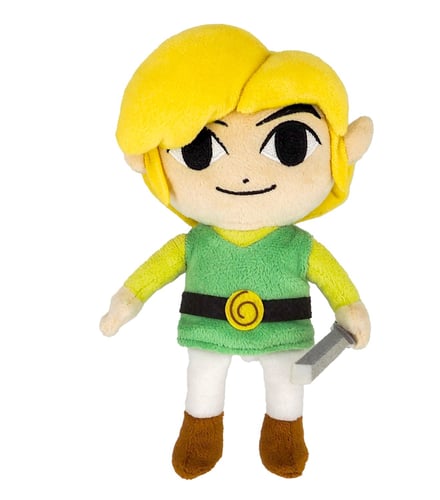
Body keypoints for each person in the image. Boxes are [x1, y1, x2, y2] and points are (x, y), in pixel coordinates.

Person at [100, 24, 373, 479]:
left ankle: (284, 436)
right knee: (203, 379)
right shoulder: (196, 243)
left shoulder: (297, 245)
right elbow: (154, 271)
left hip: (282, 331)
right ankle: (200, 433)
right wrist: (126, 302)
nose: (244, 174)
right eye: (199, 149)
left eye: (289, 144)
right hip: (209, 327)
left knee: (287, 384)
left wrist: (350, 308)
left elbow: (334, 281)